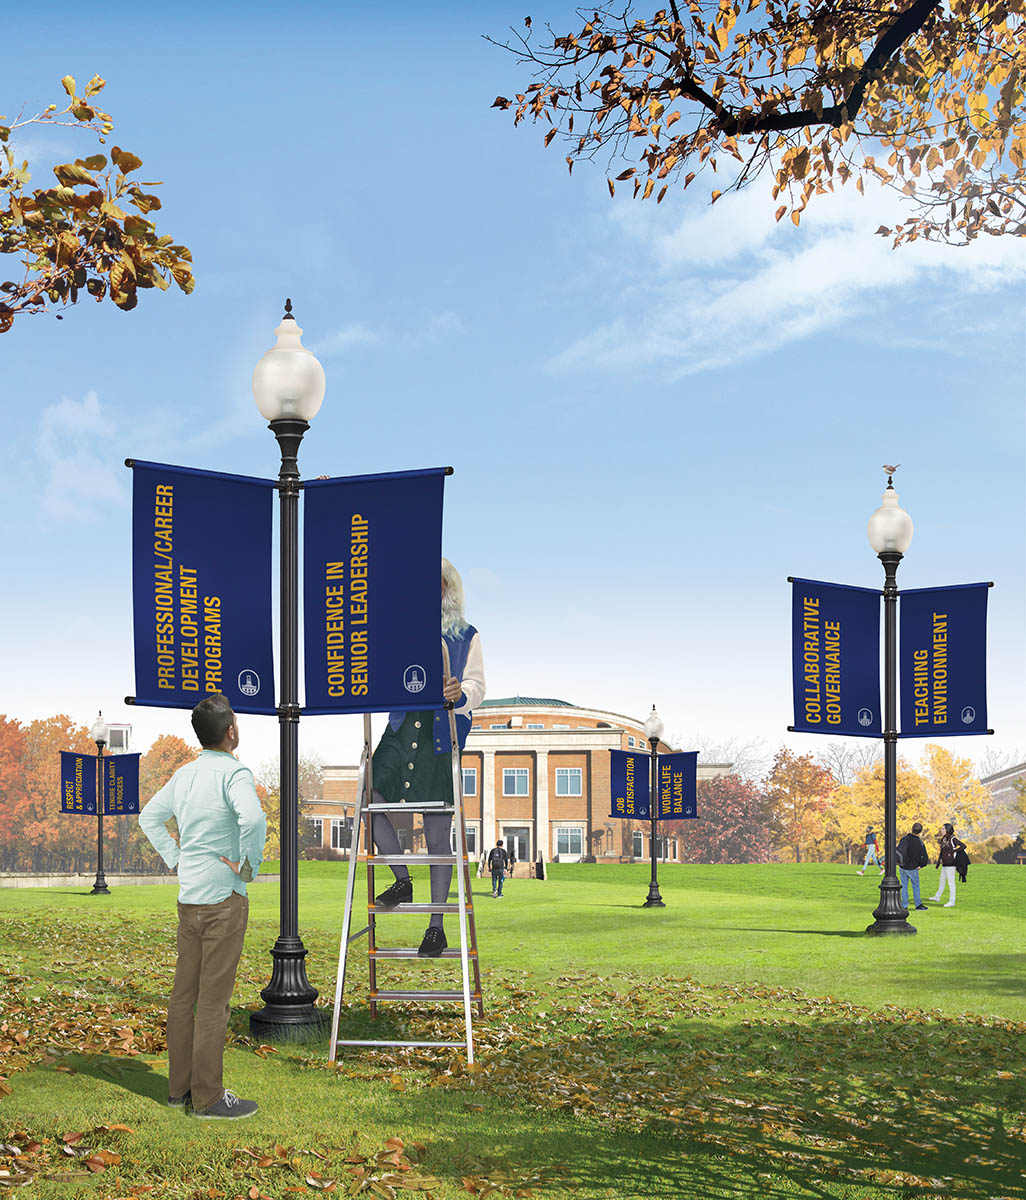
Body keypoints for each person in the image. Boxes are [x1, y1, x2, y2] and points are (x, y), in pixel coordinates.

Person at [138, 693, 266, 1120]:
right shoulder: (236, 773)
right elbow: (254, 819)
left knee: (183, 997)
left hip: (189, 898)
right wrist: (247, 866)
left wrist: (176, 858)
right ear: (231, 731)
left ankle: (179, 1092)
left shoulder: (184, 775)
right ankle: (208, 1098)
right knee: (213, 1002)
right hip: (224, 900)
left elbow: (149, 817)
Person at [369, 559, 486, 956]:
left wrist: (460, 692)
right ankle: (401, 879)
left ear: (447, 590)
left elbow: (477, 686)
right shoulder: (398, 631)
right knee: (371, 803)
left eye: (435, 587)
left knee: (438, 833)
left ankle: (436, 926)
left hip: (441, 732)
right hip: (401, 730)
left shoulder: (465, 635)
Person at [930, 823, 967, 907]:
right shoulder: (943, 839)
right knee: (942, 880)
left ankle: (952, 901)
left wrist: (953, 851)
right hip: (944, 864)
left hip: (951, 864)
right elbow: (942, 852)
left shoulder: (953, 839)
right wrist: (938, 863)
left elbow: (963, 846)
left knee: (951, 882)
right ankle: (937, 896)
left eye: (943, 829)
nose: (941, 830)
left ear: (947, 829)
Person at [896, 821, 930, 912]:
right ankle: (918, 905)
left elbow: (898, 852)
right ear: (920, 831)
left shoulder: (904, 839)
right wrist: (922, 865)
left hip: (903, 867)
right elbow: (924, 856)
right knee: (915, 886)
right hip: (913, 867)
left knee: (904, 886)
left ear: (912, 828)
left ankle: (904, 905)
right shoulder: (919, 842)